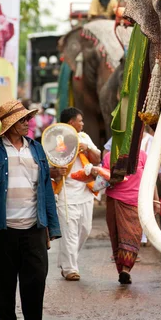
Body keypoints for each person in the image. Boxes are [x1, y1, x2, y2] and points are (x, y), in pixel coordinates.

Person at [0, 99, 61, 320]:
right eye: (22, 120)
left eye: (28, 118)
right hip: (3, 229)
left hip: (34, 227)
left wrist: (51, 227)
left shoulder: (36, 149)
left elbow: (45, 190)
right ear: (10, 124)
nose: (28, 123)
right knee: (4, 283)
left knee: (35, 280)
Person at [50, 107, 101, 281]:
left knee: (85, 230)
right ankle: (70, 268)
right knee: (70, 233)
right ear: (71, 122)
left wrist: (86, 149)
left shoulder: (85, 137)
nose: (82, 123)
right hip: (66, 193)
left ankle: (66, 261)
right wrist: (59, 168)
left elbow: (97, 159)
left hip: (85, 192)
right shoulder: (56, 137)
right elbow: (51, 164)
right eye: (80, 120)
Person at [98, 148, 160, 284]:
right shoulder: (110, 156)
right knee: (117, 237)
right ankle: (122, 271)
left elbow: (151, 178)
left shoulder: (143, 155)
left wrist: (155, 200)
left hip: (137, 201)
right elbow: (103, 178)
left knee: (133, 234)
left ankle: (126, 269)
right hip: (114, 200)